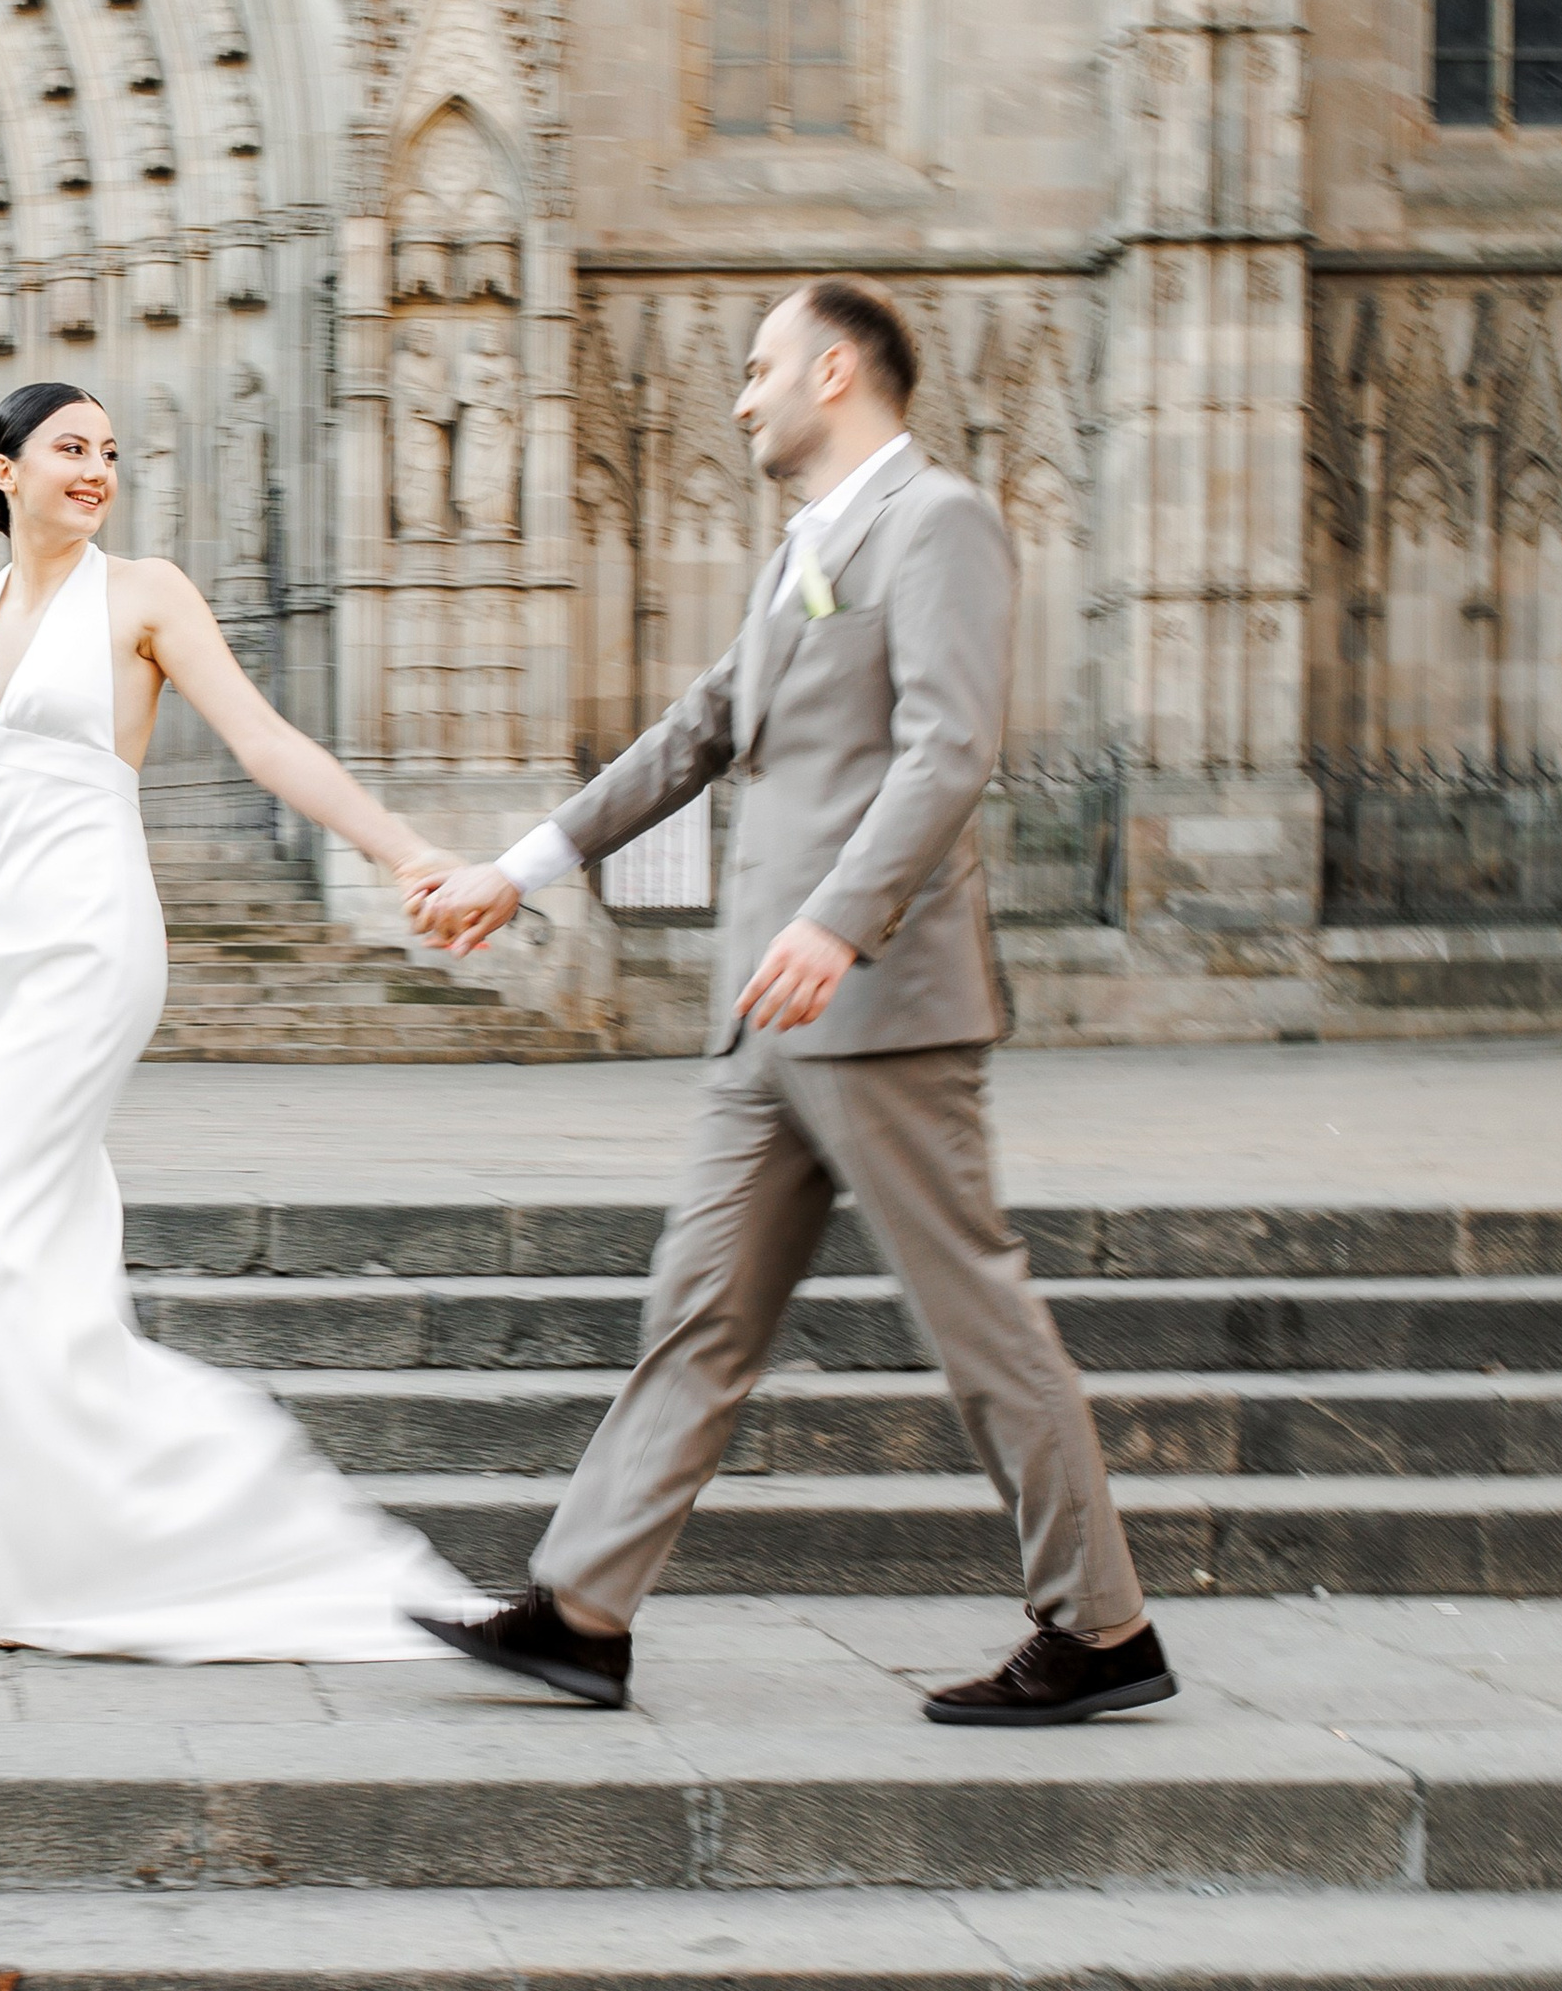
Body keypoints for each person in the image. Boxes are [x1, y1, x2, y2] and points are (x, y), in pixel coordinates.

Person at [406, 284, 1174, 1726]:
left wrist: (838, 919)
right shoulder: (801, 550)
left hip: (875, 1000)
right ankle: (582, 1614)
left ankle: (1103, 1626)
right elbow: (694, 733)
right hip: (769, 1012)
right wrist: (523, 870)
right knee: (696, 1313)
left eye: (761, 371)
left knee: (979, 1324)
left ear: (837, 370)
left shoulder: (938, 522)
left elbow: (949, 753)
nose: (741, 397)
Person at [0, 382, 481, 1661]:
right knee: (1, 1247)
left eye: (109, 453)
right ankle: (51, 1545)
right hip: (11, 943)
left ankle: (203, 1504)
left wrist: (400, 847)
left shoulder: (144, 593)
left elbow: (260, 740)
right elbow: (4, 803)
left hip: (92, 936)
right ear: (3, 467)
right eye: (69, 450)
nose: (96, 470)